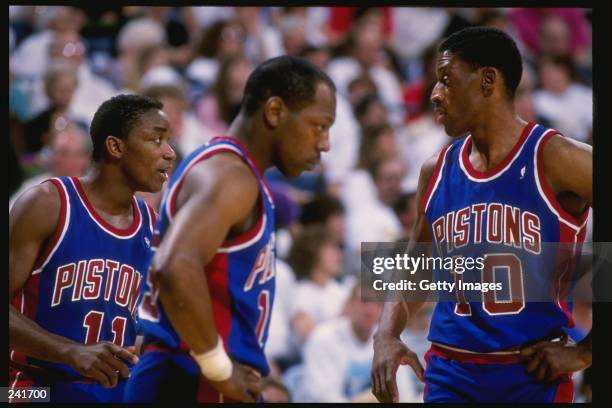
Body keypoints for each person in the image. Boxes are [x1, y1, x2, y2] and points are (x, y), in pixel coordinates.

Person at [371, 27, 592, 403]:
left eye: (445, 80)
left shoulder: (558, 158)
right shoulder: (436, 169)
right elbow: (416, 272)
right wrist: (386, 335)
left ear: (488, 80)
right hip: (450, 374)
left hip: (531, 376)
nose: (434, 94)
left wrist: (586, 352)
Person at [124, 55, 336, 403]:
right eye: (319, 125)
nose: (325, 143)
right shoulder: (230, 176)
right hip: (190, 378)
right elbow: (174, 265)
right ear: (275, 111)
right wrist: (219, 367)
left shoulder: (236, 172)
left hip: (197, 374)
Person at [9, 94, 176, 402]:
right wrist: (69, 351)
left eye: (169, 141)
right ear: (115, 147)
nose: (169, 153)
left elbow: (144, 324)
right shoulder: (49, 203)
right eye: (156, 140)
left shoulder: (153, 227)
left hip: (108, 392)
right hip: (31, 388)